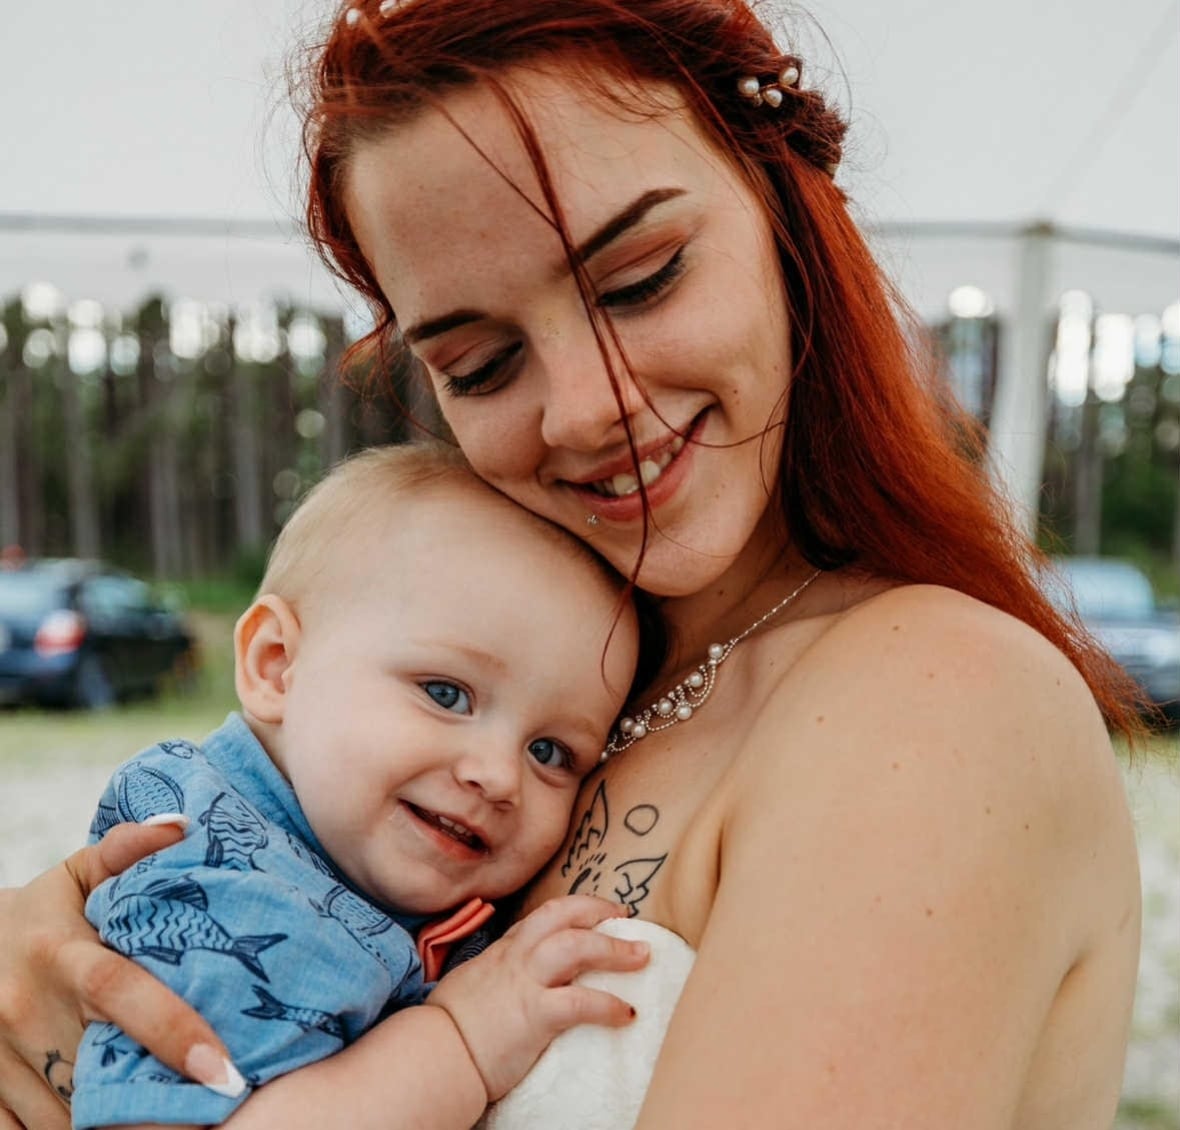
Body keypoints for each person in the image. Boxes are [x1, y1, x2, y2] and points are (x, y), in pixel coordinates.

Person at [0, 1, 1148, 1127]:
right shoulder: (532, 688)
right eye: (486, 362)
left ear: (784, 214)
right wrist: (44, 955)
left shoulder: (937, 697)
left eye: (642, 280)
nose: (588, 408)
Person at [69, 443, 647, 1129]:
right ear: (278, 666)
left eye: (550, 751)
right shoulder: (233, 883)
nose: (497, 776)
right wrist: (460, 1041)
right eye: (446, 693)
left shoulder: (343, 857)